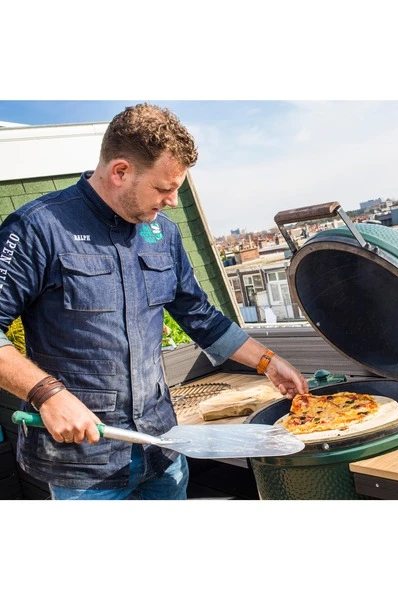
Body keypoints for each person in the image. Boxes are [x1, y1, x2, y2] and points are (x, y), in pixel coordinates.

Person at [0, 103, 308, 500]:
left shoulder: (163, 233)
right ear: (120, 172)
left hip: (163, 448)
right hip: (85, 464)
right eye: (163, 189)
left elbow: (199, 315)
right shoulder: (37, 228)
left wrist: (268, 362)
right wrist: (47, 394)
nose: (173, 201)